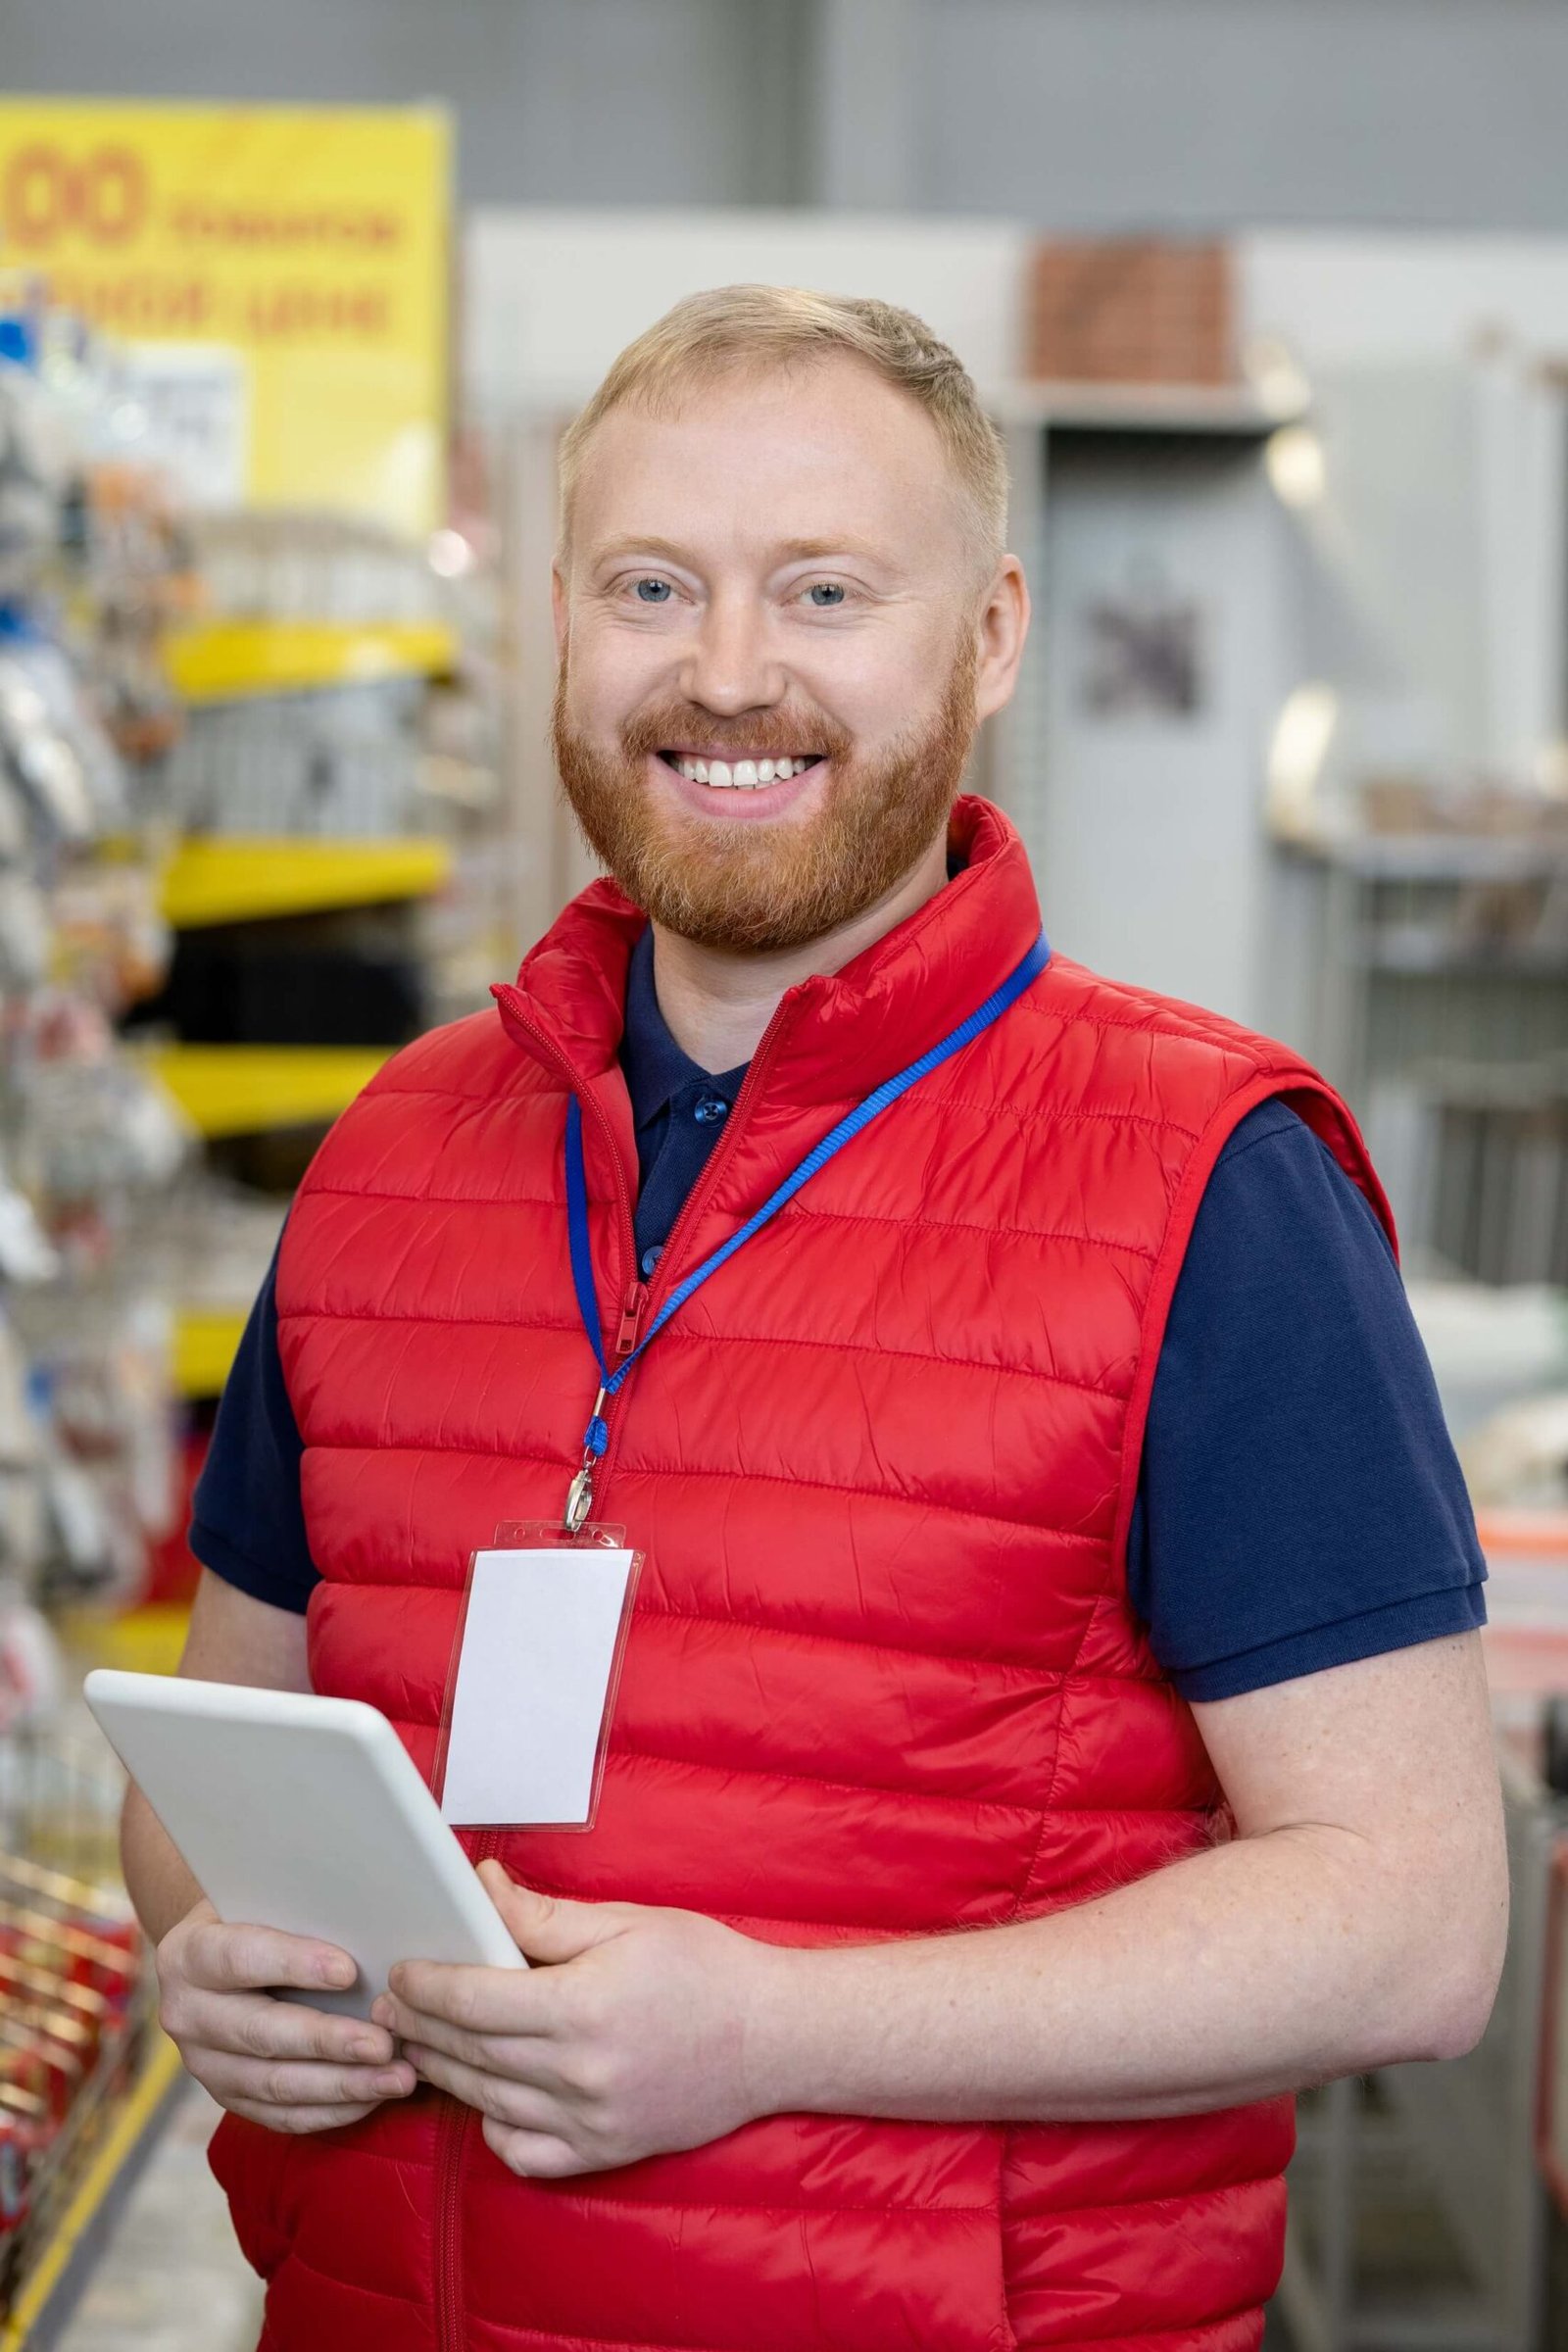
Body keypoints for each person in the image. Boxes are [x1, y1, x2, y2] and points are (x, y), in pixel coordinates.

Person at [122, 286, 1507, 2352]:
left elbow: (1406, 1925)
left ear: (991, 636)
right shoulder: (393, 1153)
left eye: (826, 589)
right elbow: (207, 1772)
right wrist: (209, 1953)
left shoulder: (1204, 1184)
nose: (729, 673)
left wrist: (772, 2029)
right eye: (651, 586)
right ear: (563, 631)